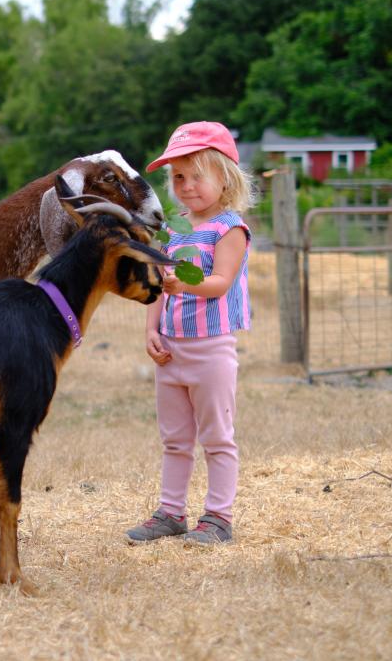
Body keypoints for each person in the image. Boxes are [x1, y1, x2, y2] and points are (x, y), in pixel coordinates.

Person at [126, 121, 257, 545]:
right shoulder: (175, 230)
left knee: (217, 438)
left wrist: (185, 285)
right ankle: (170, 512)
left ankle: (218, 517)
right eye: (178, 177)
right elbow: (160, 285)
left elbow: (221, 282)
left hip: (211, 350)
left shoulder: (229, 229)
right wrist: (152, 329)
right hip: (172, 351)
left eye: (197, 175)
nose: (186, 185)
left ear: (226, 177)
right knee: (175, 439)